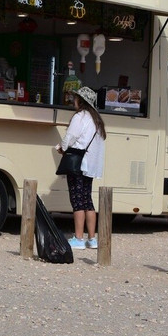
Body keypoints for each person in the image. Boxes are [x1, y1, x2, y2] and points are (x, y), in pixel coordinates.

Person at [56, 86, 107, 249]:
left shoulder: (80, 117)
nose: (73, 101)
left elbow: (70, 137)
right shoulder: (97, 120)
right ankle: (92, 239)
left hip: (78, 163)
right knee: (87, 200)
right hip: (90, 165)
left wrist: (61, 148)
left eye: (75, 98)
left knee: (77, 200)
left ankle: (78, 238)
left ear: (81, 101)